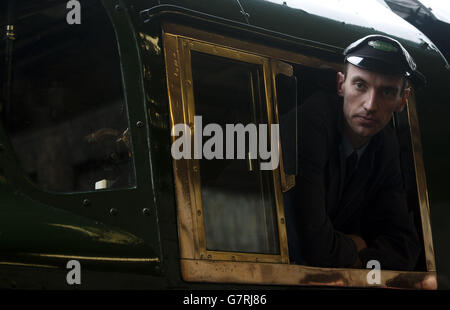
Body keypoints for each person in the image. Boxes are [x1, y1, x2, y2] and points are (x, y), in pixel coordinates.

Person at [287, 35, 421, 270]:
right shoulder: (309, 123)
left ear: (402, 101)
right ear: (341, 85)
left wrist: (360, 257)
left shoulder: (384, 143)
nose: (370, 105)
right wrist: (356, 248)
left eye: (387, 92)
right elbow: (312, 244)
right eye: (360, 85)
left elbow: (405, 246)